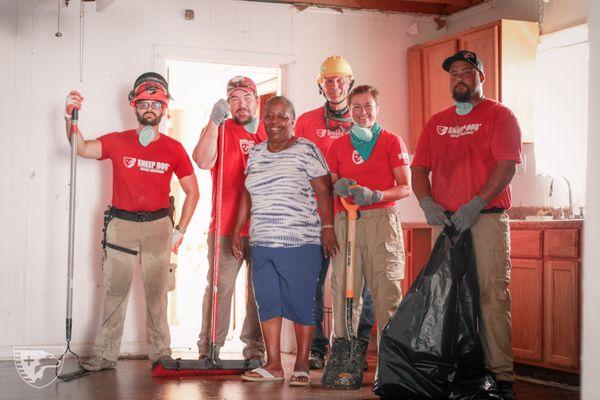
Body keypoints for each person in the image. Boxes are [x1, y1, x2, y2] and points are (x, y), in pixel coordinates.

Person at [63, 72, 199, 371]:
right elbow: (81, 148)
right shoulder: (117, 141)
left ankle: (161, 354)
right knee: (115, 292)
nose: (149, 108)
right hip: (121, 227)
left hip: (158, 228)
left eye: (156, 103)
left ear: (164, 109)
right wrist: (69, 117)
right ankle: (104, 355)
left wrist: (180, 230)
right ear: (134, 107)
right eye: (143, 103)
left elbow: (193, 192)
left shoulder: (174, 149)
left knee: (157, 294)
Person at [411, 50, 521, 400]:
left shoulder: (500, 116)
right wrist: (426, 203)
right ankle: (452, 371)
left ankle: (501, 376)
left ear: (481, 77)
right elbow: (418, 169)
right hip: (446, 224)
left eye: (467, 71)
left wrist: (476, 204)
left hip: (485, 219)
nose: (459, 77)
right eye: (453, 72)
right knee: (447, 297)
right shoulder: (437, 121)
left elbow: (507, 165)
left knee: (491, 296)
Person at [231, 96, 338, 386]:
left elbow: (325, 190)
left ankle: (302, 365)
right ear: (263, 119)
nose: (274, 122)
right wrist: (239, 229)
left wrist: (328, 227)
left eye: (282, 117)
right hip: (262, 240)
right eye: (270, 116)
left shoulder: (307, 150)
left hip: (300, 241)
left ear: (292, 121)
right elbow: (247, 192)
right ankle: (274, 364)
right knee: (268, 301)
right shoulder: (255, 152)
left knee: (301, 302)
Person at [295, 55, 375, 369]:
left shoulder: (363, 122)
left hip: (353, 214)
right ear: (321, 85)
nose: (334, 86)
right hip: (315, 217)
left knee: (359, 284)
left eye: (340, 80)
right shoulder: (306, 121)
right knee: (312, 282)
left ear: (350, 83)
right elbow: (298, 165)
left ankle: (357, 345)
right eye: (328, 80)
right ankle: (316, 347)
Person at [326, 84, 411, 345]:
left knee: (387, 291)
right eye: (356, 108)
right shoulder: (338, 146)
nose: (362, 113)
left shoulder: (391, 141)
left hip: (381, 223)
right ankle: (344, 355)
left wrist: (376, 195)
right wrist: (336, 187)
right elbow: (331, 183)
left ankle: (391, 362)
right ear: (349, 111)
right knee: (344, 292)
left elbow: (405, 187)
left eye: (368, 107)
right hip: (346, 222)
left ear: (377, 109)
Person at [192, 76, 265, 361]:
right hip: (223, 227)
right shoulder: (220, 130)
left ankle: (255, 349)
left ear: (257, 102)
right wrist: (213, 122)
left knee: (259, 293)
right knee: (219, 290)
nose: (241, 104)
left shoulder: (268, 134)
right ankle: (209, 349)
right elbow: (202, 160)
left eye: (247, 98)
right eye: (234, 99)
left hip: (261, 229)